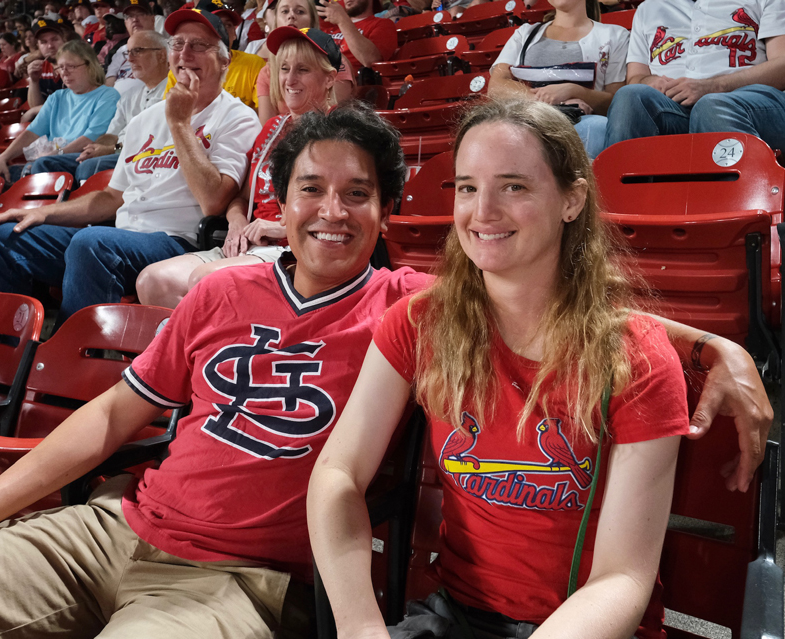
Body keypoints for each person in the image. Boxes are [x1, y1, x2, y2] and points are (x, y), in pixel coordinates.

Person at [0, 104, 773, 639]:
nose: (331, 211)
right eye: (310, 189)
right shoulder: (241, 292)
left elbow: (562, 308)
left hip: (236, 583)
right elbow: (113, 421)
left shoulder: (407, 303)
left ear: (387, 214)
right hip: (119, 525)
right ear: (276, 203)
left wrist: (716, 344)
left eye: (358, 194)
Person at [306, 98, 759, 639]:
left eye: (514, 186)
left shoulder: (633, 356)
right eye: (468, 187)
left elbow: (622, 578)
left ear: (572, 200)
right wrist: (360, 629)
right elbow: (337, 475)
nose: (483, 212)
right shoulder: (421, 322)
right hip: (458, 616)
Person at [0, 9, 260, 327]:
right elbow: (110, 198)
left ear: (224, 61)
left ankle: (73, 365)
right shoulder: (144, 119)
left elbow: (214, 201)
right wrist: (44, 213)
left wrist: (179, 123)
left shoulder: (237, 117)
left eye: (199, 46)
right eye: (177, 44)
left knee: (91, 244)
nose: (185, 54)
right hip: (120, 236)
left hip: (179, 242)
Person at [137, 25, 341, 307]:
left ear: (330, 78)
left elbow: (343, 210)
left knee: (204, 280)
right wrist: (237, 222)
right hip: (251, 243)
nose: (290, 79)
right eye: (283, 69)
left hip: (299, 248)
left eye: (302, 70)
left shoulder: (342, 132)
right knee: (153, 280)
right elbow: (242, 199)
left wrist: (282, 227)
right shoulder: (272, 127)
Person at [603, 0, 785, 152]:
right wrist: (649, 81)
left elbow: (781, 67)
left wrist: (714, 87)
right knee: (630, 98)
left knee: (711, 107)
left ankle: (741, 193)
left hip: (749, 103)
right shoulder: (649, 8)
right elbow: (636, 78)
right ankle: (619, 194)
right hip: (677, 108)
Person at [489, 0, 629, 159]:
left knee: (597, 128)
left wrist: (574, 91)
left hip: (583, 123)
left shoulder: (615, 35)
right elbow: (496, 86)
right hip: (527, 120)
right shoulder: (524, 33)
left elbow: (617, 105)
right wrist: (553, 103)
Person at [33, 29, 168, 183]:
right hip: (118, 153)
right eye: (128, 53)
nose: (130, 59)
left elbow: (154, 140)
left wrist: (111, 149)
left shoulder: (175, 92)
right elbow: (110, 136)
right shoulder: (129, 98)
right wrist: (96, 149)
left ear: (162, 55)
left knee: (89, 167)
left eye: (137, 51)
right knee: (47, 164)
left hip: (149, 156)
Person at [0, 39, 119, 182]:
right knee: (1, 175)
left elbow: (92, 136)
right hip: (51, 160)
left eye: (71, 66)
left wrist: (57, 154)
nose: (65, 72)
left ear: (90, 66)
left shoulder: (107, 95)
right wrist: (2, 158)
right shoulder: (57, 97)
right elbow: (32, 133)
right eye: (61, 67)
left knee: (42, 165)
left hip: (81, 157)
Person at [256, 0, 353, 123]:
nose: (291, 16)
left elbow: (336, 122)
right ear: (275, 20)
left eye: (300, 11)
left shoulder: (333, 61)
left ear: (312, 21)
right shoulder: (266, 72)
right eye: (285, 11)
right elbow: (267, 130)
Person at [163, 0, 266, 110]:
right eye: (215, 23)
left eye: (228, 25)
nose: (223, 31)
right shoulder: (182, 68)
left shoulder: (254, 63)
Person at [318, 0, 397, 75]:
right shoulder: (330, 25)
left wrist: (342, 20)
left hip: (350, 81)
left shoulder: (383, 24)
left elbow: (370, 60)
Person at [105, 0, 156, 92]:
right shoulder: (121, 50)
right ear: (125, 23)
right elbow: (109, 81)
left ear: (153, 19)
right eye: (130, 16)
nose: (135, 19)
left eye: (140, 14)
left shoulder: (164, 47)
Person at [24, 18, 67, 119]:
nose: (50, 46)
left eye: (55, 39)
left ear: (64, 40)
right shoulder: (41, 68)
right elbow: (35, 106)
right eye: (43, 42)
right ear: (38, 46)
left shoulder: (77, 62)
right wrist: (33, 81)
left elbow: (79, 103)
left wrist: (35, 110)